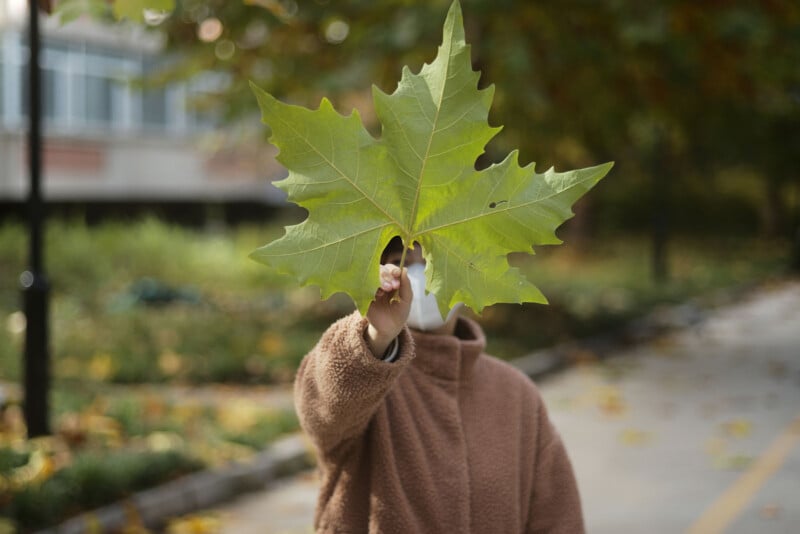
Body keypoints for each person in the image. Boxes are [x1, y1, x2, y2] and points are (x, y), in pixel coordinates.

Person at [294, 237, 584, 533]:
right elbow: (321, 407)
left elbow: (558, 518)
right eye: (401, 261)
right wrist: (374, 336)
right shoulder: (367, 380)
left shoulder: (516, 393)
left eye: (436, 258)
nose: (419, 275)